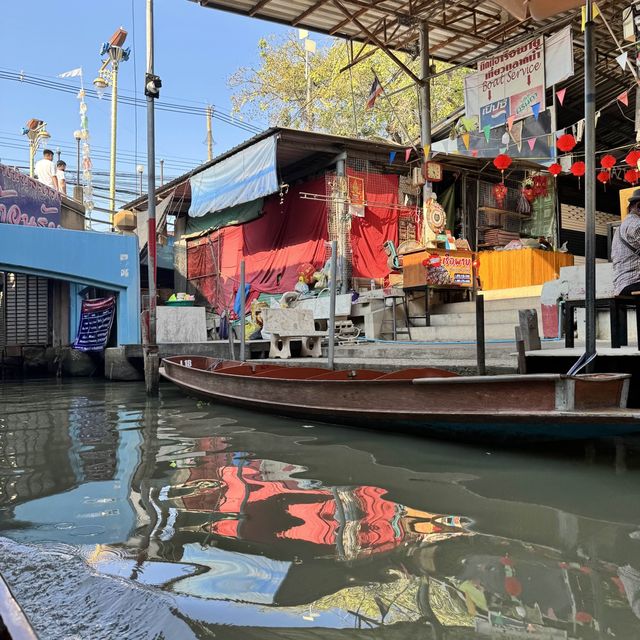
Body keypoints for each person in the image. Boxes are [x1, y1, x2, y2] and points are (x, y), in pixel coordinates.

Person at [612, 189, 640, 296]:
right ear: (638, 206)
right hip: (632, 282)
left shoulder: (623, 225)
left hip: (623, 283)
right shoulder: (636, 225)